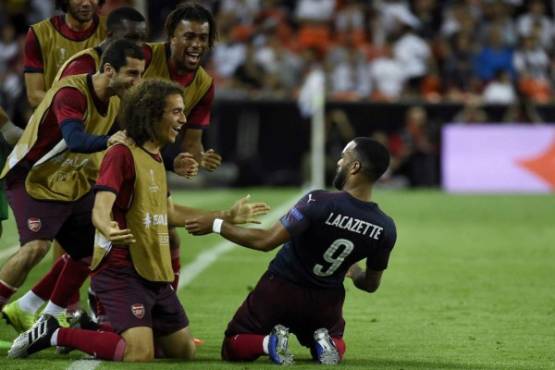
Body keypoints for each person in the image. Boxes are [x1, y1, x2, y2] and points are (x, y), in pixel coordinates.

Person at [8, 79, 270, 362]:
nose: (183, 119)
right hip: (120, 270)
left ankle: (92, 328)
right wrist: (106, 225)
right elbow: (101, 207)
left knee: (183, 351)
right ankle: (53, 333)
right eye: (176, 112)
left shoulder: (155, 153)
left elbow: (170, 213)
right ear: (152, 113)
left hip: (153, 270)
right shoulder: (121, 153)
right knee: (139, 353)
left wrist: (225, 216)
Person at [185, 137, 397, 365]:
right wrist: (354, 271)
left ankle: (270, 344)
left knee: (233, 345)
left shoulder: (319, 201)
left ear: (355, 167)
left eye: (344, 158)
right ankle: (327, 343)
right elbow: (370, 285)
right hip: (326, 302)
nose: (338, 163)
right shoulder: (385, 227)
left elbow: (266, 241)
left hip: (280, 289)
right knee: (333, 336)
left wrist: (217, 225)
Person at [0, 40, 144, 327]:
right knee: (36, 248)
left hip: (71, 180)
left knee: (94, 248)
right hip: (33, 175)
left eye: (140, 74)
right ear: (108, 70)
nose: (137, 82)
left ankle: (45, 317)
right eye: (132, 74)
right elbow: (75, 139)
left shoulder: (115, 99)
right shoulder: (70, 91)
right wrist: (109, 140)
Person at [143, 2, 222, 294]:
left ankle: (168, 313)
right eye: (189, 36)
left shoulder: (203, 83)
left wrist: (196, 158)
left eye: (203, 38)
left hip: (150, 163)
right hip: (111, 153)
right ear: (171, 36)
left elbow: (190, 145)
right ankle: (65, 309)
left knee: (170, 238)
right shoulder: (144, 57)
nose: (196, 44)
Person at [24, 0, 107, 107]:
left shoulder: (111, 31)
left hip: (100, 121)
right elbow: (34, 96)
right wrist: (74, 110)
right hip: (54, 120)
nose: (86, 3)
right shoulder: (39, 33)